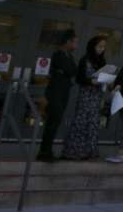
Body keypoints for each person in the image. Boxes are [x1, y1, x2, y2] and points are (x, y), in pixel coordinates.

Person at [61, 35, 109, 160]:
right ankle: (74, 151)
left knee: (92, 123)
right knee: (80, 122)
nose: (101, 49)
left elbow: (104, 76)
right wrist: (90, 81)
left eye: (104, 47)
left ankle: (90, 151)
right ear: (93, 46)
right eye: (99, 46)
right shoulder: (85, 59)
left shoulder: (102, 61)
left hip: (96, 96)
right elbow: (79, 78)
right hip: (86, 95)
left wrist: (107, 80)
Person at [37, 29, 78, 162]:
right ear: (68, 42)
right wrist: (68, 71)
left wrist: (68, 71)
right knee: (53, 121)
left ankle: (47, 150)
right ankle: (44, 152)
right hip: (55, 92)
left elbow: (73, 71)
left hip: (64, 92)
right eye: (75, 42)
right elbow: (69, 69)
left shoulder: (69, 56)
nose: (76, 45)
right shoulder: (58, 55)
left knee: (56, 121)